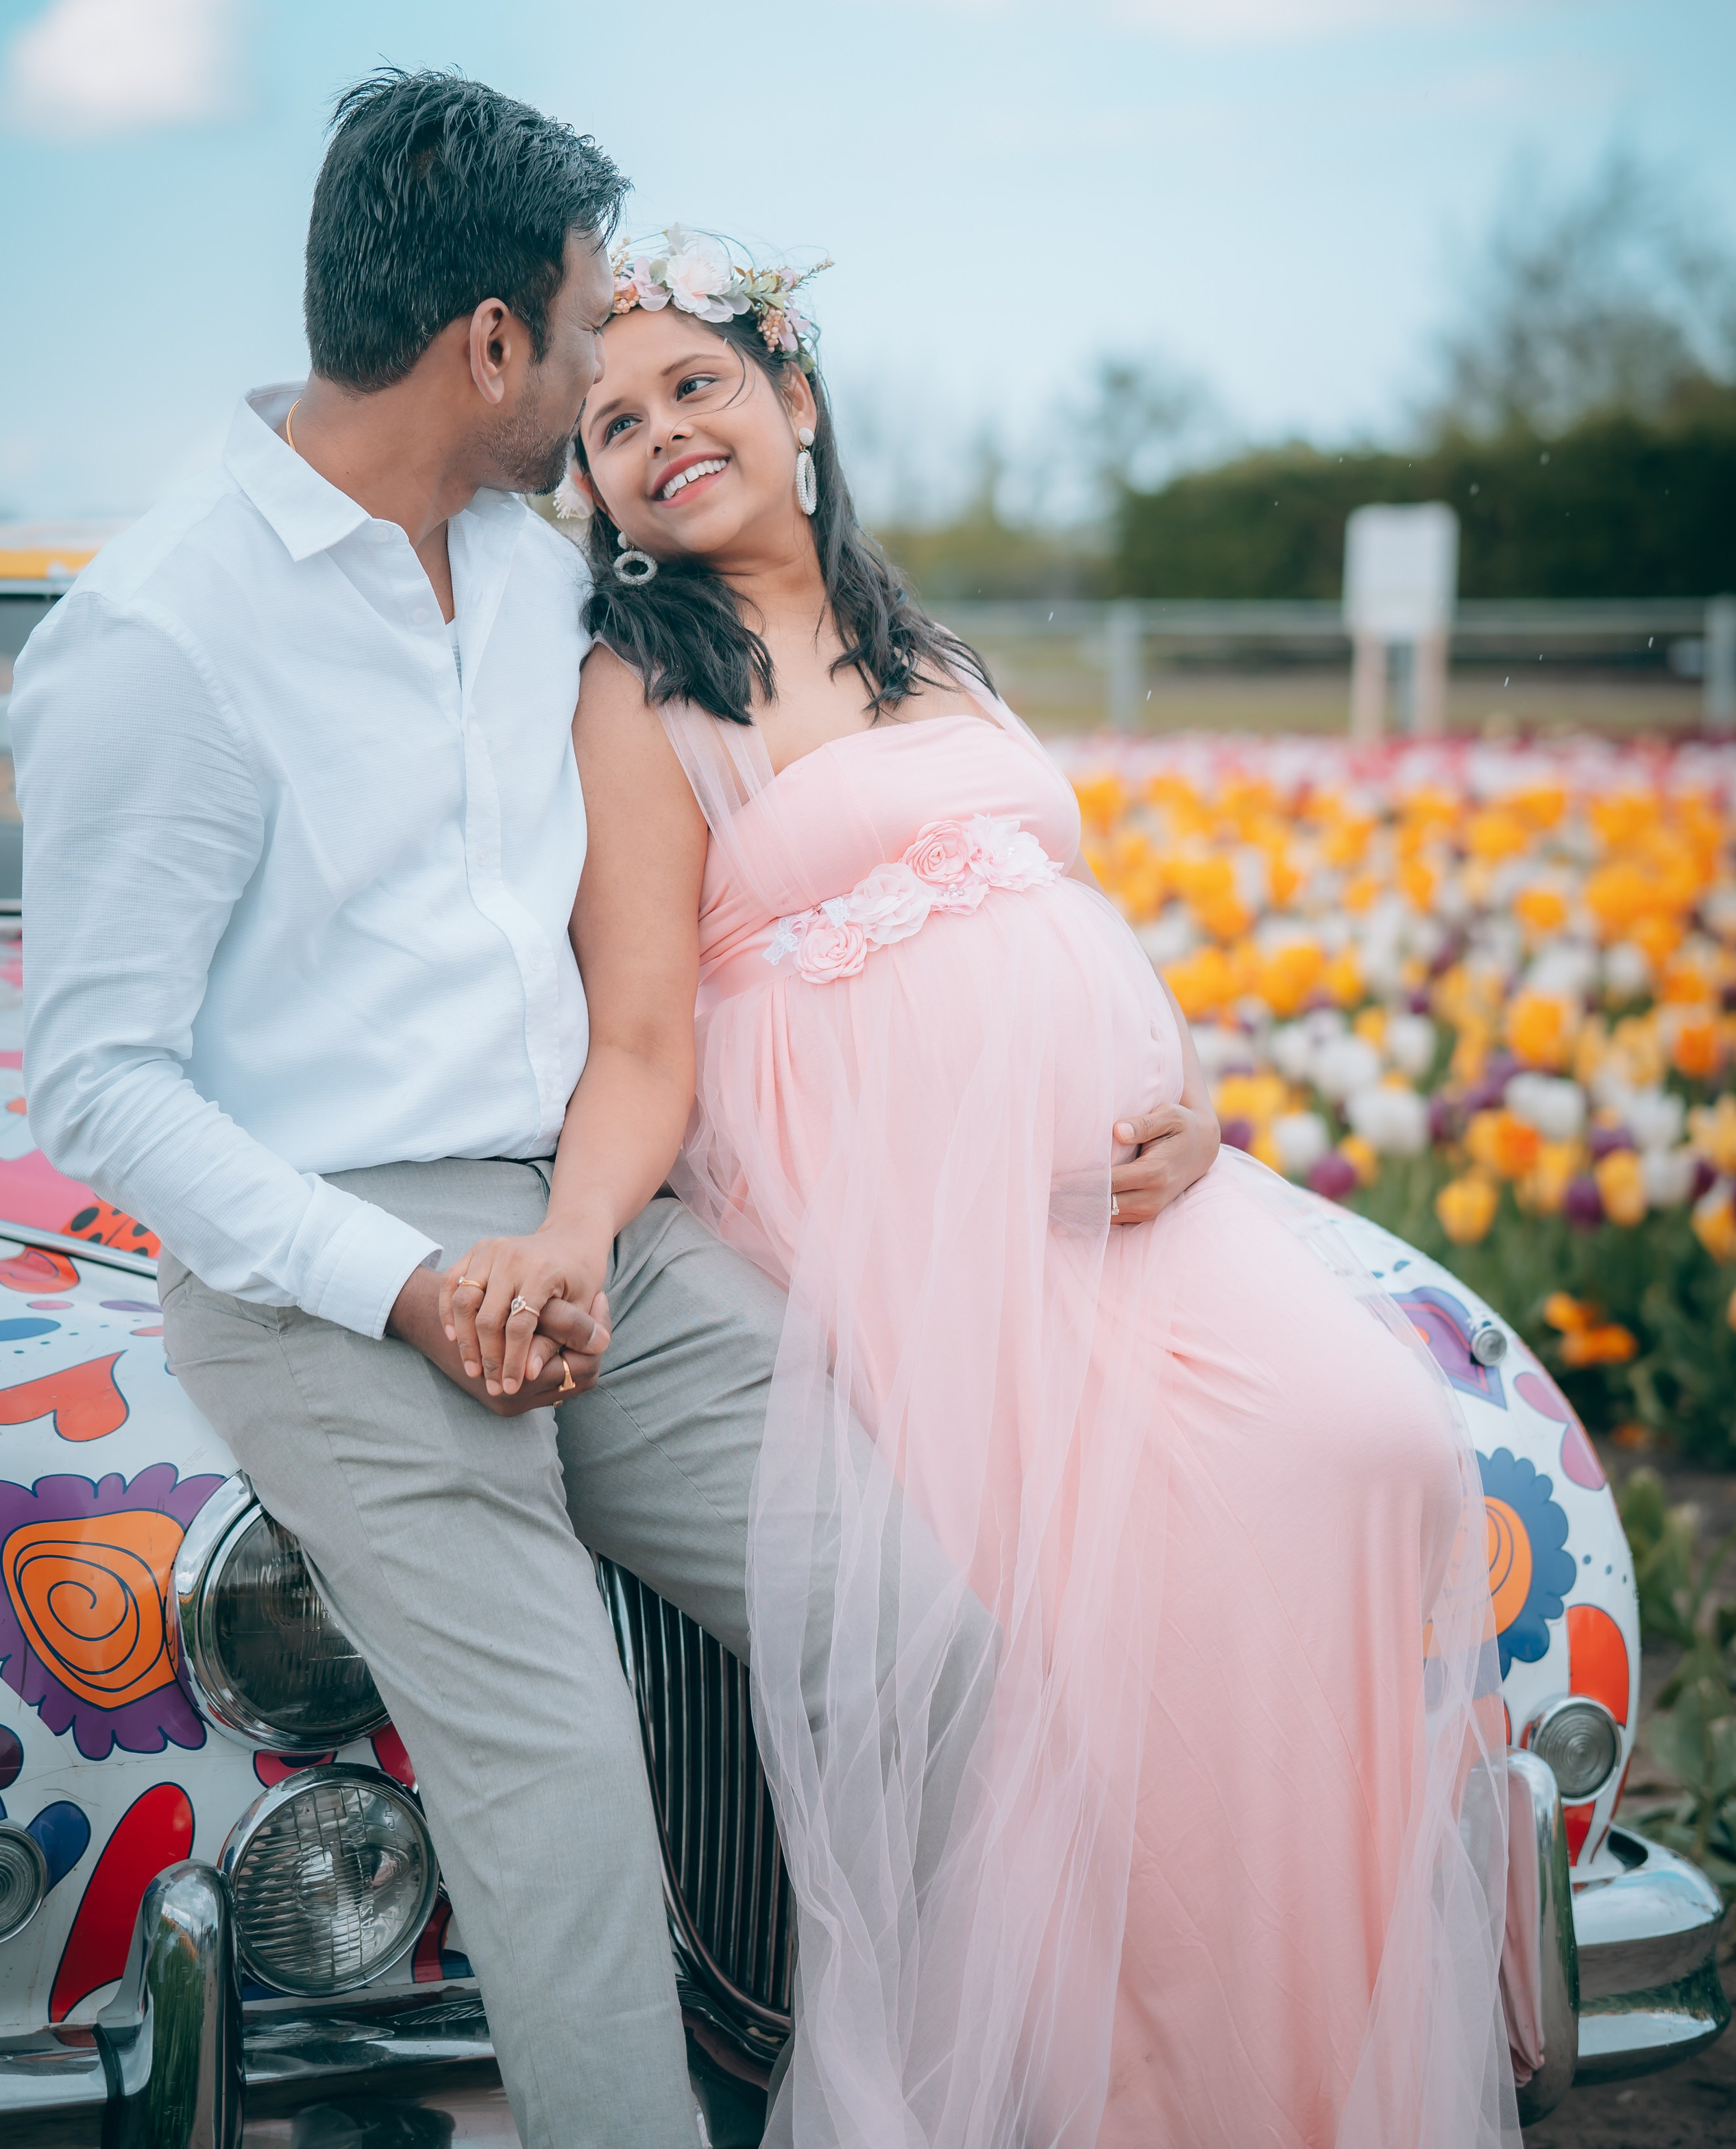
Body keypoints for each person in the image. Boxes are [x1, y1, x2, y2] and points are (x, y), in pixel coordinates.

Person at [12, 72, 1217, 2149]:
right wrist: (406, 1284)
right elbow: (100, 1081)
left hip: (595, 1222)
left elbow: (784, 777)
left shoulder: (533, 567)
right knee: (559, 1766)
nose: (601, 379)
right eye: (583, 337)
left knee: (919, 1644)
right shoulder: (162, 630)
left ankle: (880, 2110)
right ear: (493, 345)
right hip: (322, 1258)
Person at [456, 233, 1519, 2149]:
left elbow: (1056, 915)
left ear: (798, 401)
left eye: (698, 384)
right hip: (896, 1231)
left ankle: (1280, 2069)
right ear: (595, 489)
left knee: (1374, 1449)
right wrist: (570, 1235)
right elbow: (640, 1035)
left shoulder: (929, 650)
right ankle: (1100, 2088)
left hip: (1131, 1208)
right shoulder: (643, 690)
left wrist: (1183, 1101)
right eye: (610, 422)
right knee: (1082, 1644)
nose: (656, 432)